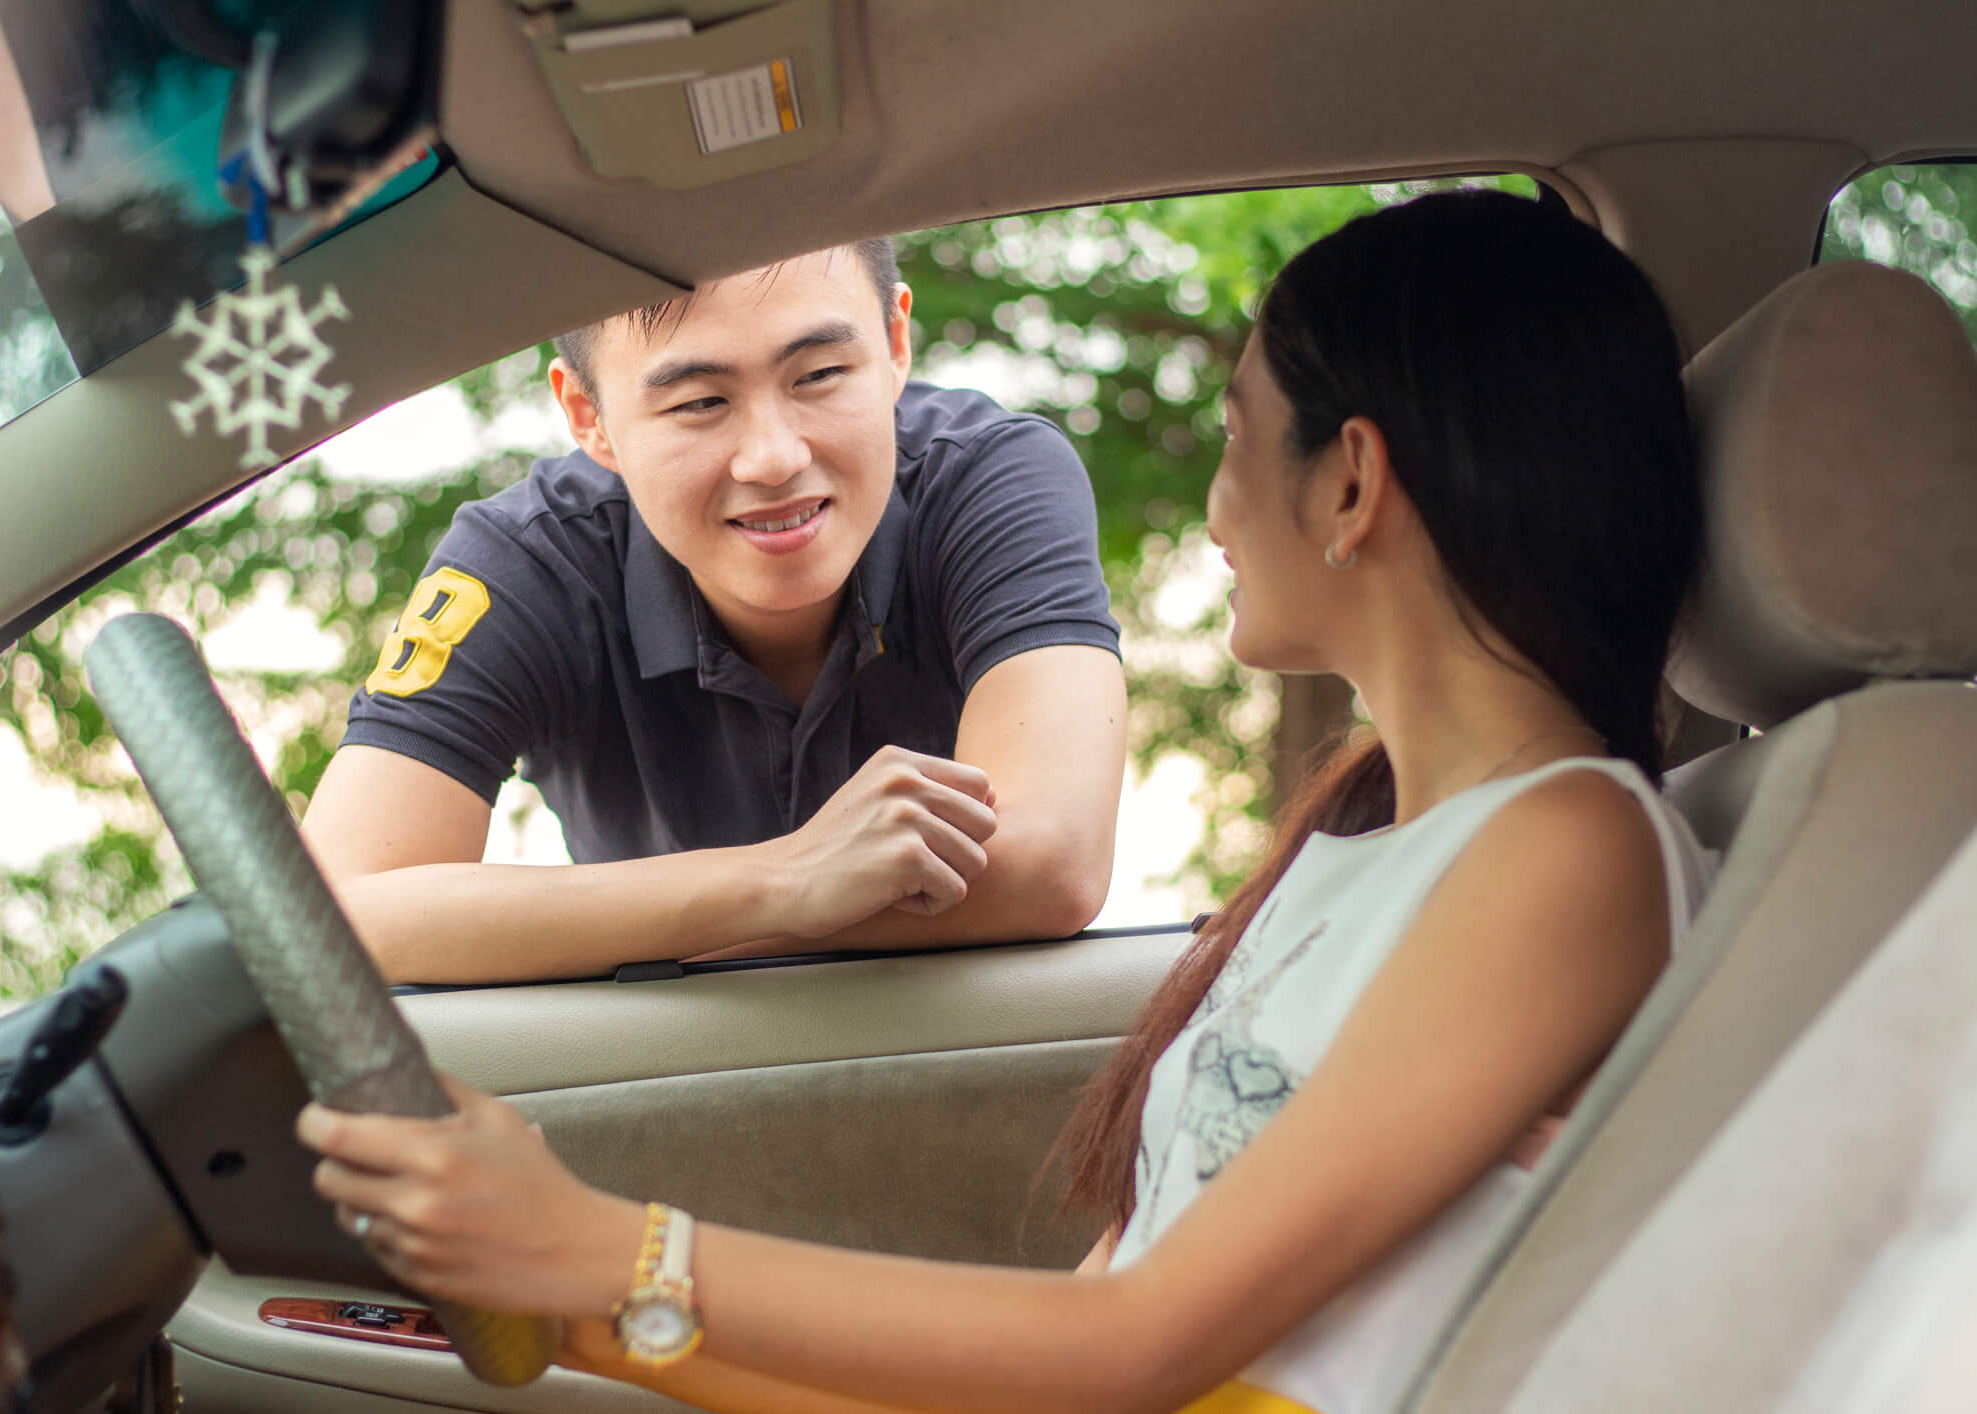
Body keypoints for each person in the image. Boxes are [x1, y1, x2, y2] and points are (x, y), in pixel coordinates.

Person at [295, 190, 1720, 1414]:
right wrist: (591, 1322)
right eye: (700, 398)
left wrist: (612, 1251)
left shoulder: (1569, 849)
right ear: (587, 421)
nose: (1212, 511)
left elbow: (1129, 1350)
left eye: (1233, 438)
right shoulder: (1358, 855)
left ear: (1349, 482)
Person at [302, 239, 1127, 984]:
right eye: (699, 402)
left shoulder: (987, 478)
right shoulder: (529, 563)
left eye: (819, 376)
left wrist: (680, 919)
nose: (774, 458)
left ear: (895, 342)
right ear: (588, 415)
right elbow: (336, 915)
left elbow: (1047, 862)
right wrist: (782, 881)